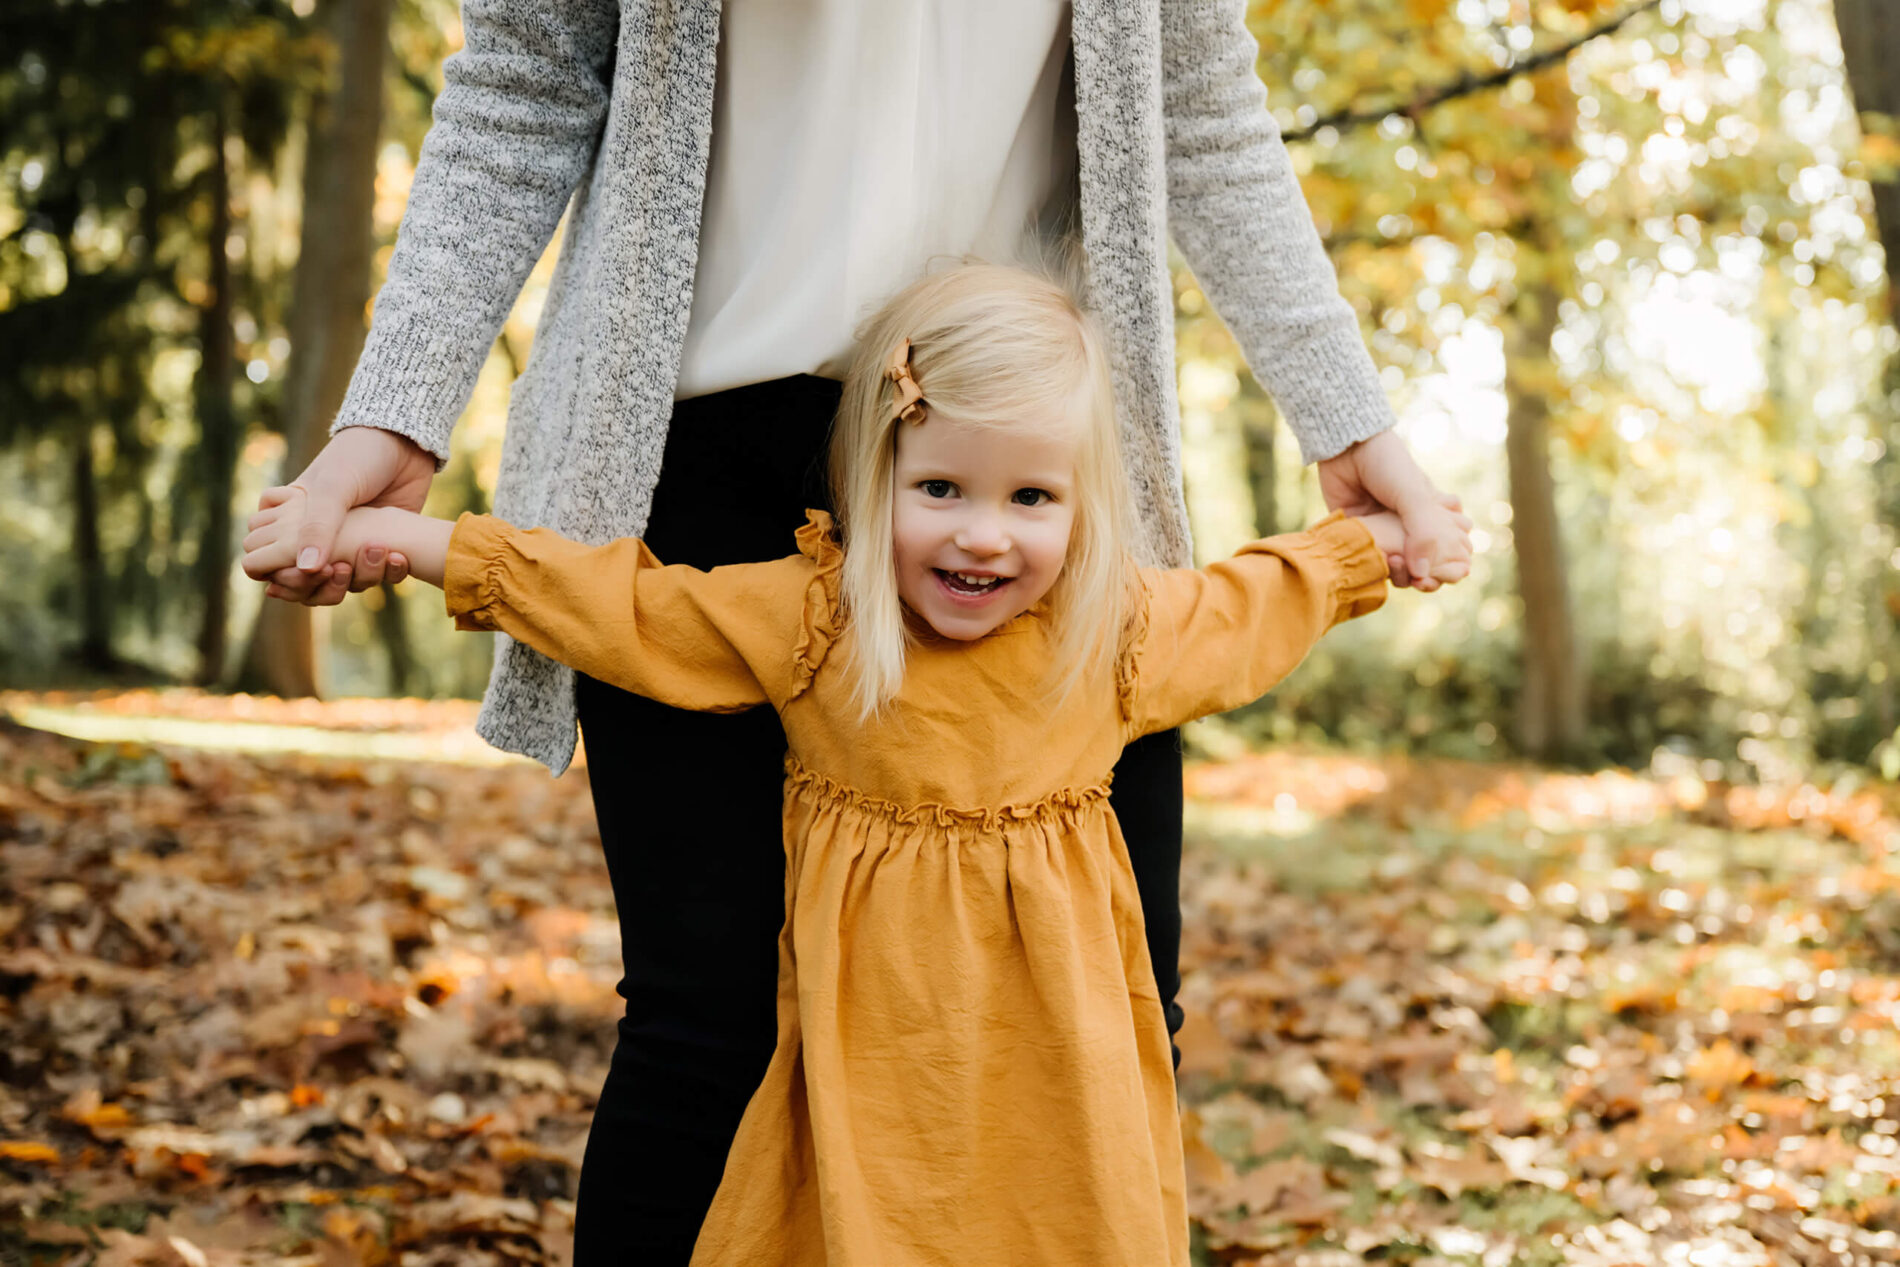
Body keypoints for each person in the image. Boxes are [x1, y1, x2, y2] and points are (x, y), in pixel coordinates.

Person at [242, 3, 1467, 1256]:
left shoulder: (1121, 627)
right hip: (700, 441)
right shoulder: (791, 603)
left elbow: (1201, 115)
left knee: (1111, 1011)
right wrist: (400, 439)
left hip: (1031, 429)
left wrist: (1354, 442)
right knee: (709, 1040)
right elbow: (525, 81)